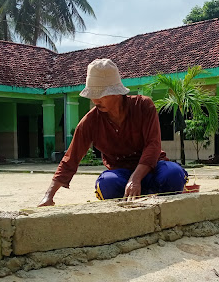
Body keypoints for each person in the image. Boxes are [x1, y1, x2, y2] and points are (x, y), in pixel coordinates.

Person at [38, 59, 188, 206]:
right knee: (106, 184)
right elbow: (71, 158)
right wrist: (48, 196)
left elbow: (153, 145)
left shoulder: (143, 106)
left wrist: (135, 179)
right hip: (121, 175)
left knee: (173, 174)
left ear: (116, 93)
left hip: (153, 168)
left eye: (101, 94)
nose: (95, 100)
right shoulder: (90, 121)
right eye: (93, 94)